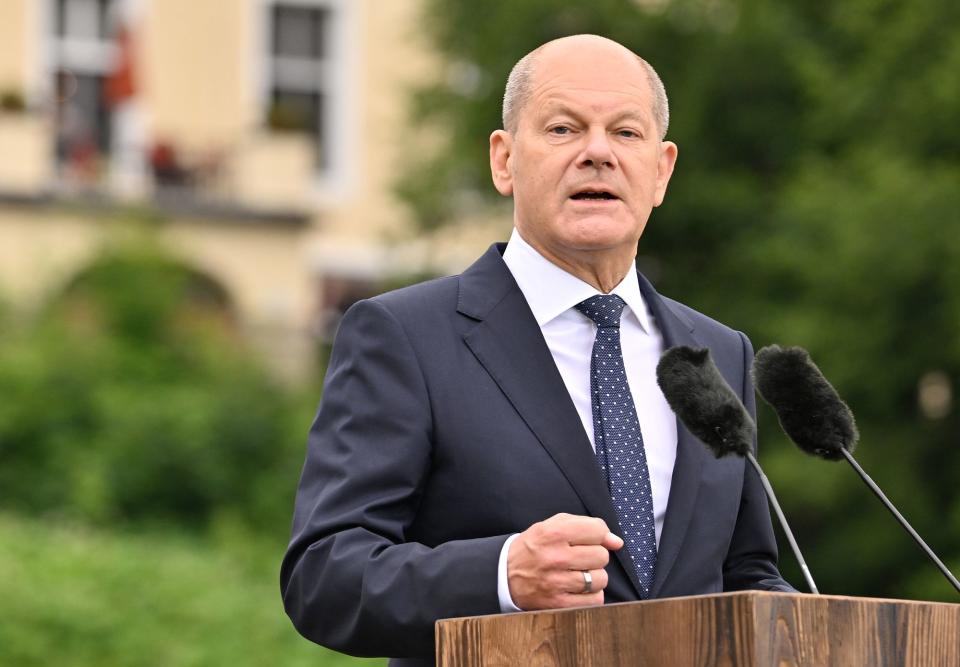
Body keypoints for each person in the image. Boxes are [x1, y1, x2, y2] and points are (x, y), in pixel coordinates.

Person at [281, 34, 793, 666]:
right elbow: (324, 575)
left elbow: (746, 576)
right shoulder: (405, 336)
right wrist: (500, 574)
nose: (598, 153)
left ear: (661, 171)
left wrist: (806, 633)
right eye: (562, 128)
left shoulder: (718, 355)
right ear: (504, 160)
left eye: (626, 133)